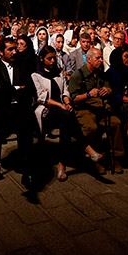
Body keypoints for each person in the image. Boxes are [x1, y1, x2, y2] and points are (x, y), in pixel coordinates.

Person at [0, 37, 38, 190]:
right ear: (1, 52)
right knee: (23, 119)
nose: (15, 52)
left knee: (27, 118)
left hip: (20, 108)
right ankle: (25, 161)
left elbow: (30, 89)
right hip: (2, 110)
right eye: (10, 49)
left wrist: (12, 90)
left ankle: (27, 168)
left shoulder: (22, 67)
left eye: (15, 49)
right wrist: (16, 89)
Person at [32, 45, 84, 181]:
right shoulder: (36, 75)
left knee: (66, 120)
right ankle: (86, 147)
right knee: (68, 116)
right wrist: (61, 105)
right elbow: (41, 97)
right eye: (49, 59)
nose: (53, 61)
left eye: (54, 58)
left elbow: (65, 91)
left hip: (61, 109)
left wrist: (67, 103)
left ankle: (62, 163)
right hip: (46, 109)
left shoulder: (59, 73)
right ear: (42, 59)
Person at [68, 47, 124, 173]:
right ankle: (95, 158)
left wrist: (108, 91)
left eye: (101, 58)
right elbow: (74, 98)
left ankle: (115, 157)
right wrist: (88, 94)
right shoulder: (78, 75)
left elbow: (109, 88)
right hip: (84, 108)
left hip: (100, 107)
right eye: (97, 58)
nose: (100, 60)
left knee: (115, 123)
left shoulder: (101, 74)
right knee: (91, 127)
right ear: (89, 59)